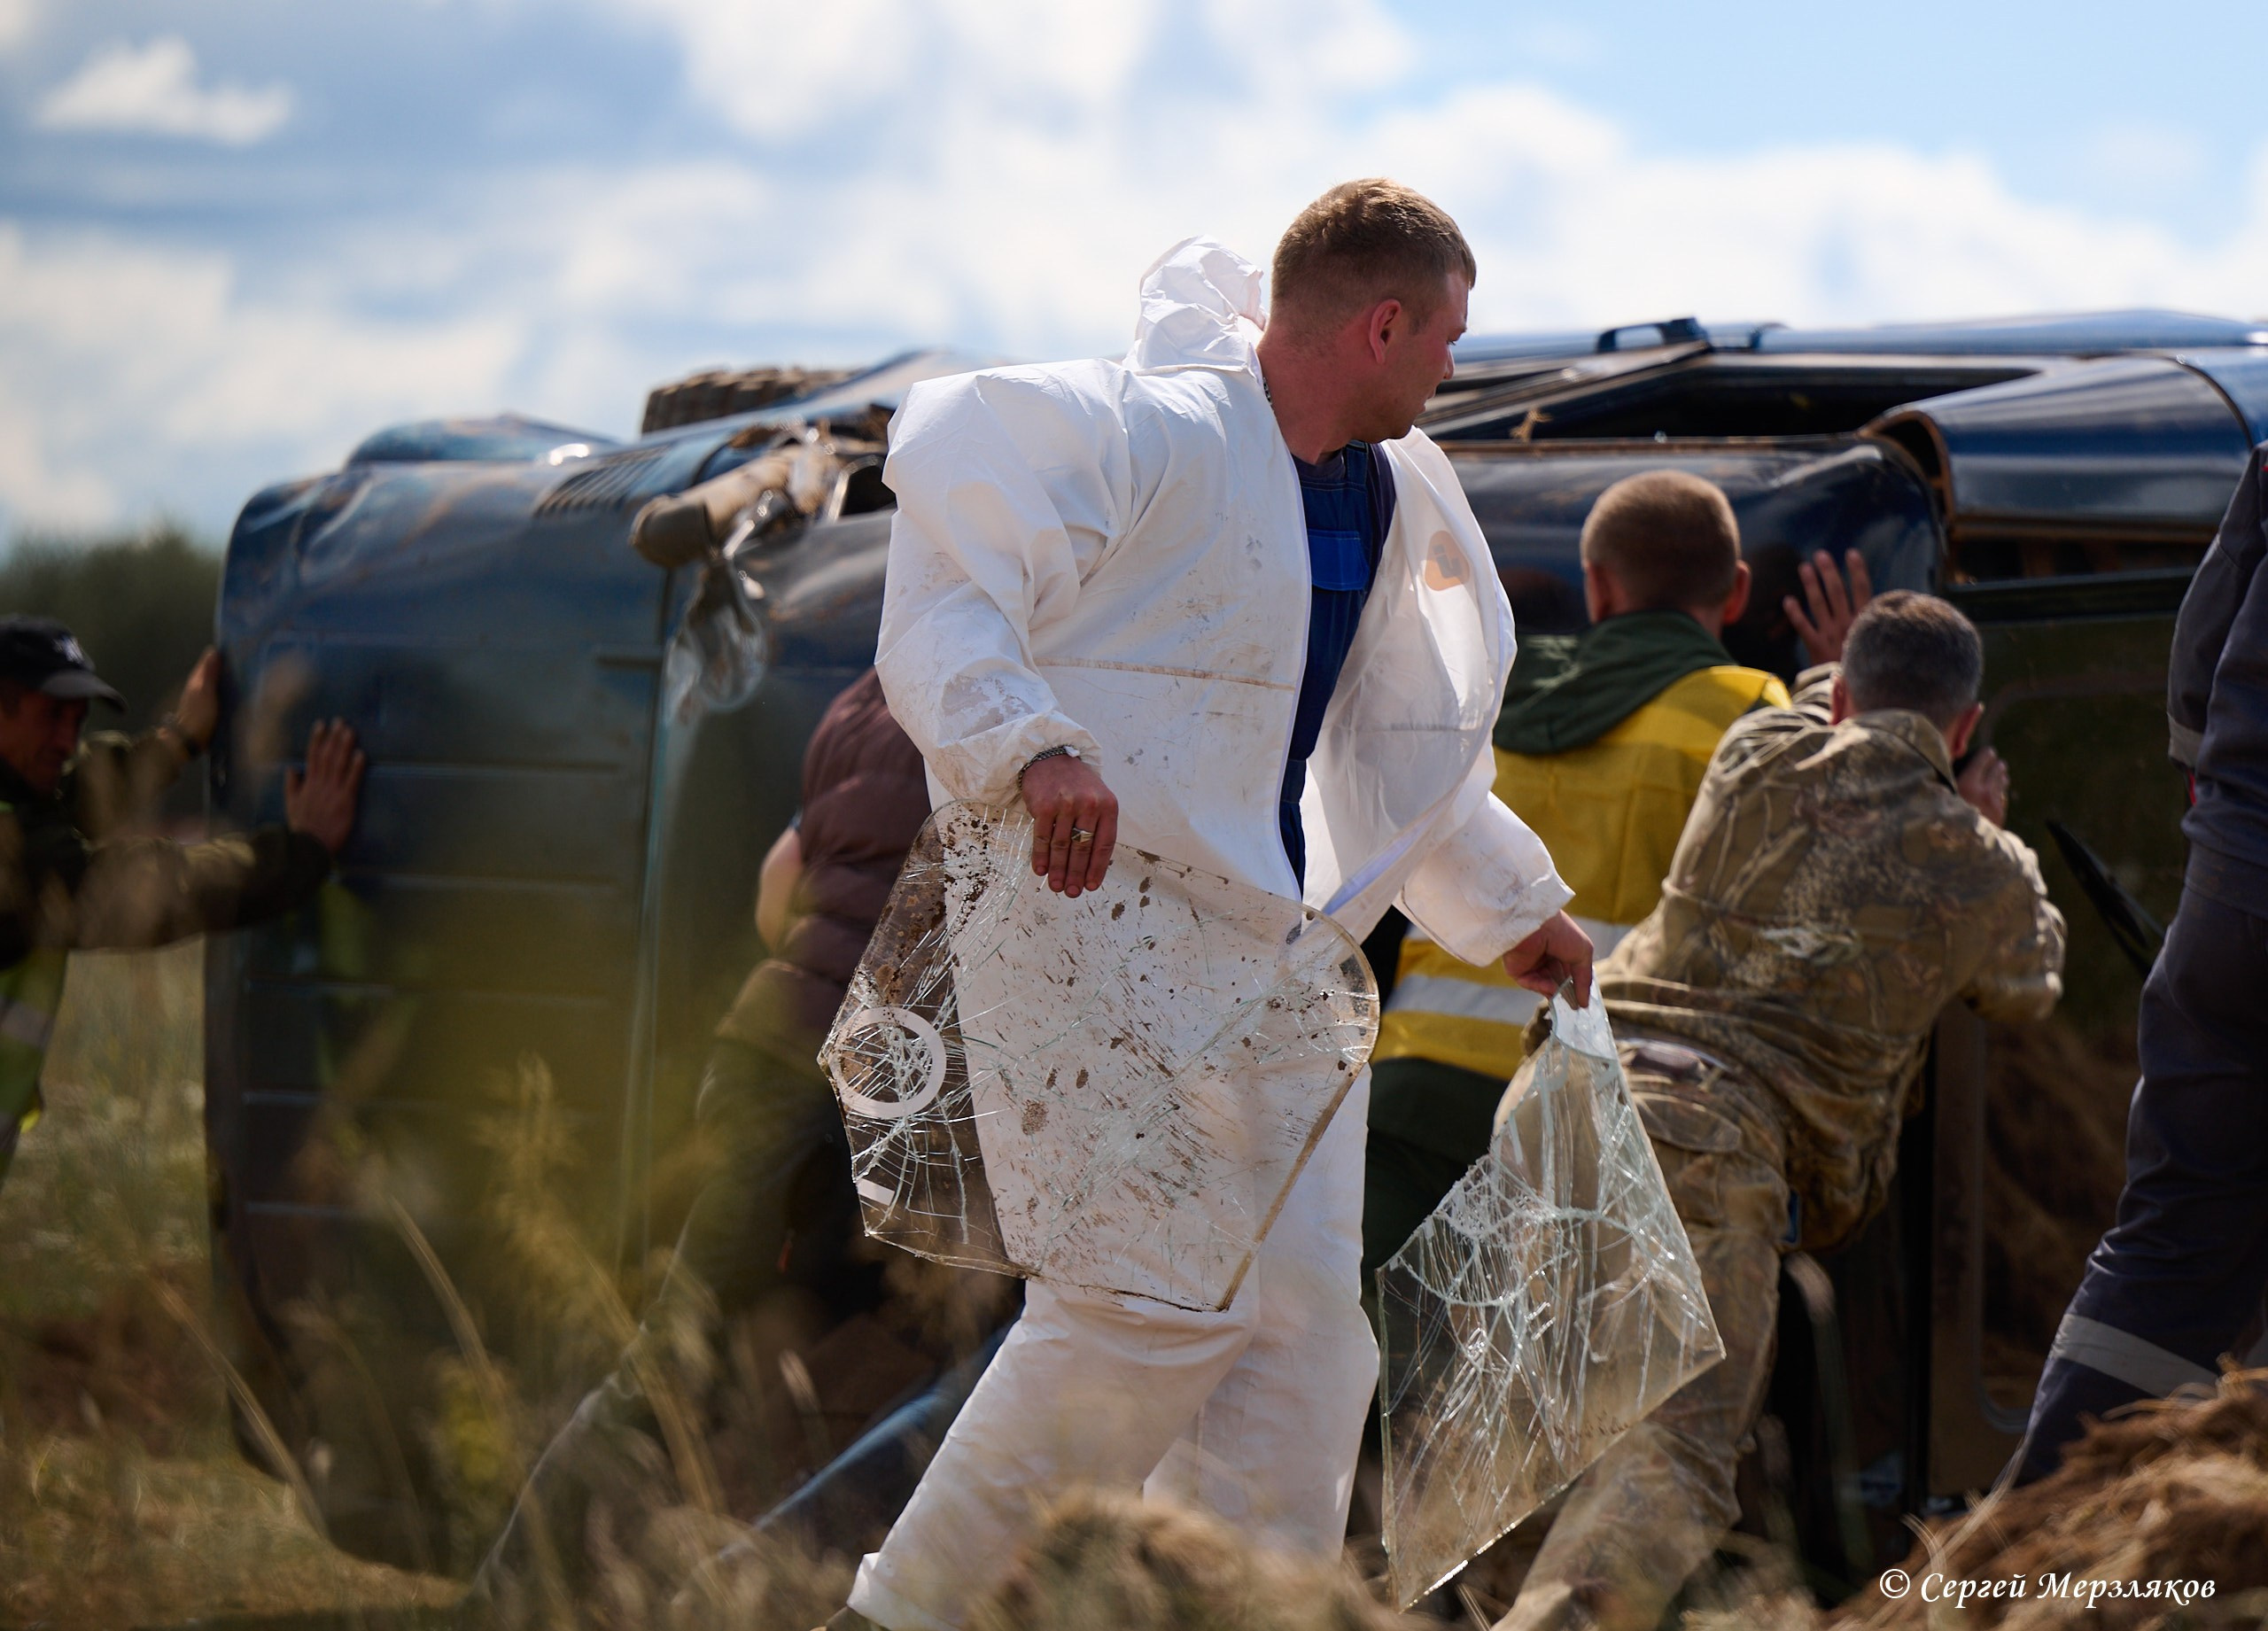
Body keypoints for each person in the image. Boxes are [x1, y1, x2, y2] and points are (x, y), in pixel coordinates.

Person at [850, 180, 1593, 1631]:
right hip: (1089, 929)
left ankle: (1230, 1612)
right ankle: (896, 1616)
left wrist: (1511, 906)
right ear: (1381, 322)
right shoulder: (1148, 429)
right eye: (1444, 337)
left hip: (1266, 963)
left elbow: (1396, 755)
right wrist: (1030, 740)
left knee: (1307, 1343)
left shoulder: (1386, 494)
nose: (1451, 368)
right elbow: (949, 565)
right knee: (1138, 1309)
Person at [1495, 589, 2064, 1631]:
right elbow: (2029, 985)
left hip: (1561, 1097)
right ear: (1968, 728)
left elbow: (1821, 722)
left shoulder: (1754, 747)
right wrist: (1978, 829)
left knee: (1529, 1429)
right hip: (1709, 1143)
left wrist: (1828, 673)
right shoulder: (1977, 863)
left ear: (1839, 691)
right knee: (1676, 1458)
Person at [468, 667, 939, 1618]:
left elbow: (777, 894)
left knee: (681, 1357)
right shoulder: (1020, 695)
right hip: (857, 1087)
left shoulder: (866, 692)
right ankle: (517, 1599)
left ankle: (528, 1592)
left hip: (765, 1049)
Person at [1363, 471, 1808, 1273]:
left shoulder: (1483, 695)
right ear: (1736, 592)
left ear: (1597, 585)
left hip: (1411, 1090)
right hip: (1581, 1115)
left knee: (1377, 1381)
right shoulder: (1750, 713)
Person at [2017, 440, 2268, 1481]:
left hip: (2233, 883)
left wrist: (2220, 818)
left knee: (2168, 1247)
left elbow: (2204, 632)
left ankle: (1997, 1562)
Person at [0, 617, 361, 1192]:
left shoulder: (19, 810)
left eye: (78, 720)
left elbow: (65, 803)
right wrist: (302, 851)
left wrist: (179, 739)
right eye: (51, 716)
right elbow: (155, 888)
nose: (67, 740)